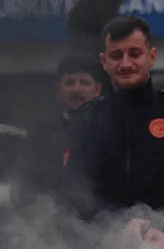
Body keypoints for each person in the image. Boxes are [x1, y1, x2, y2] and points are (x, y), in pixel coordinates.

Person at [64, 15, 164, 249]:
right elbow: (75, 189)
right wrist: (118, 223)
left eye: (134, 54)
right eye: (116, 56)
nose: (125, 64)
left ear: (151, 57)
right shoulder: (87, 119)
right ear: (104, 62)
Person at [13, 52, 104, 201]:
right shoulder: (41, 136)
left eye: (84, 83)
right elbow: (25, 183)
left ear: (97, 90)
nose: (76, 89)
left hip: (104, 221)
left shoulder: (111, 132)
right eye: (69, 82)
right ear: (58, 90)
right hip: (51, 217)